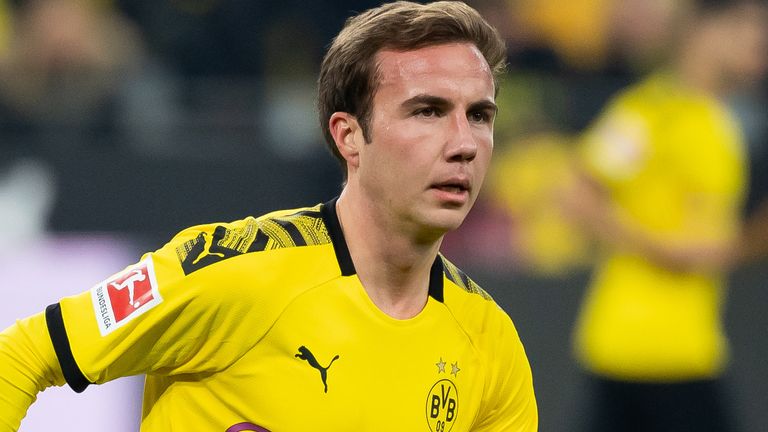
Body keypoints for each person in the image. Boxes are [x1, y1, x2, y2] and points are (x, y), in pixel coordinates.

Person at [0, 2, 538, 431]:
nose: (464, 143)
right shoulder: (231, 270)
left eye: (479, 116)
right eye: (428, 111)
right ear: (349, 136)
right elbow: (22, 356)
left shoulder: (490, 343)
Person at [563, 0, 768, 430]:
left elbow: (722, 240)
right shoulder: (650, 112)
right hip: (640, 346)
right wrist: (663, 250)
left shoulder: (724, 121)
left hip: (687, 344)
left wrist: (727, 247)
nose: (760, 40)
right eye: (748, 27)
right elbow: (577, 195)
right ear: (704, 31)